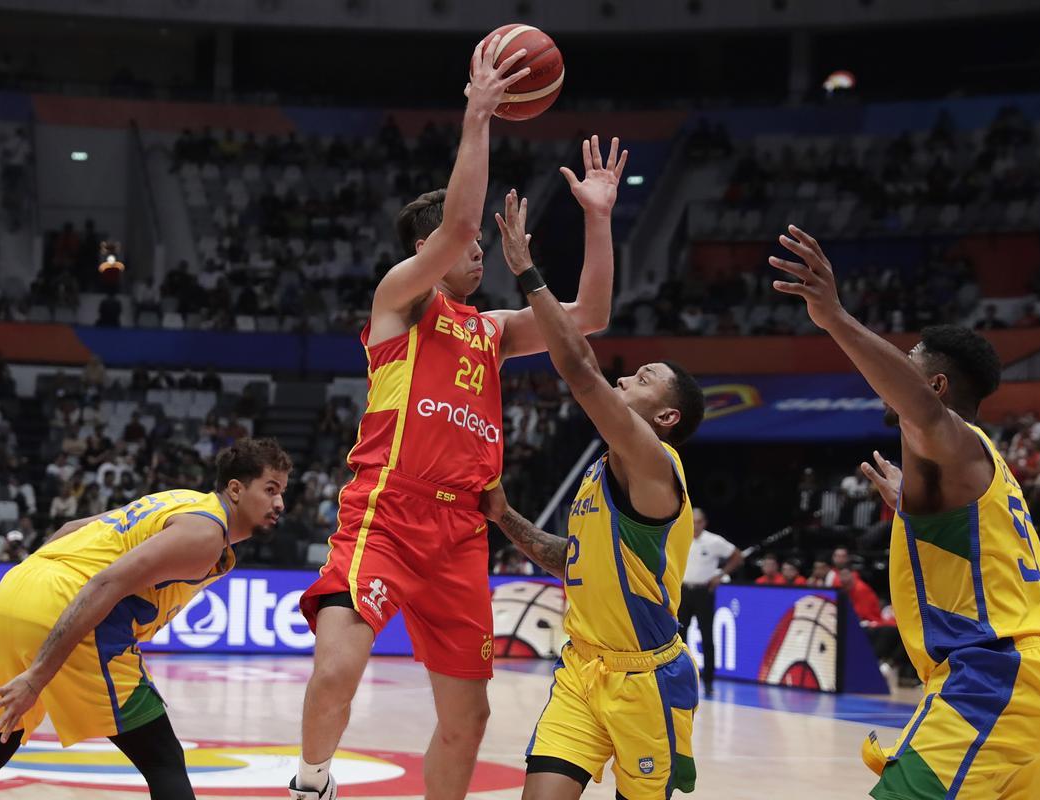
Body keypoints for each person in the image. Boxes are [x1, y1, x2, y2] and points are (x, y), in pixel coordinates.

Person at [290, 36, 629, 800]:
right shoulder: (399, 304)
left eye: (478, 245)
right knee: (337, 668)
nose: (479, 251)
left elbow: (594, 316)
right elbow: (455, 223)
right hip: (386, 510)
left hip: (460, 533)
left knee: (467, 718)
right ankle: (311, 782)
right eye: (467, 243)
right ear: (425, 250)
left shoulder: (493, 331)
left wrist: (599, 219)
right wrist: (478, 117)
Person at [771, 225, 1040, 798]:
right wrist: (911, 510)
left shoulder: (954, 437)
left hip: (995, 681)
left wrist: (835, 319)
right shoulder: (977, 467)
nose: (890, 381)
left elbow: (918, 408)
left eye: (909, 362)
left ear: (937, 385)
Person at [480, 187, 706, 799]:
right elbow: (571, 560)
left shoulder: (657, 466)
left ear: (665, 419)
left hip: (648, 681)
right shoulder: (598, 474)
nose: (629, 375)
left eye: (647, 378)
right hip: (581, 669)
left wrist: (526, 271)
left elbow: (579, 366)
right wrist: (507, 519)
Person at [0, 438, 291, 799]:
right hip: (69, 606)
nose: (279, 503)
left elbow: (70, 532)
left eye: (282, 492)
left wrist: (2, 604)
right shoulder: (205, 534)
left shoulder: (181, 501)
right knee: (163, 761)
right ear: (236, 489)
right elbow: (106, 583)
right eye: (270, 489)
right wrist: (37, 677)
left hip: (21, 586)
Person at [678, 507, 743, 697]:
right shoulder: (680, 537)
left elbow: (737, 555)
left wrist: (721, 574)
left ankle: (708, 682)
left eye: (698, 522)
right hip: (683, 590)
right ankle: (680, 679)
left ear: (704, 523)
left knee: (707, 636)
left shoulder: (713, 541)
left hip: (704, 591)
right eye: (692, 521)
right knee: (679, 637)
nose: (695, 526)